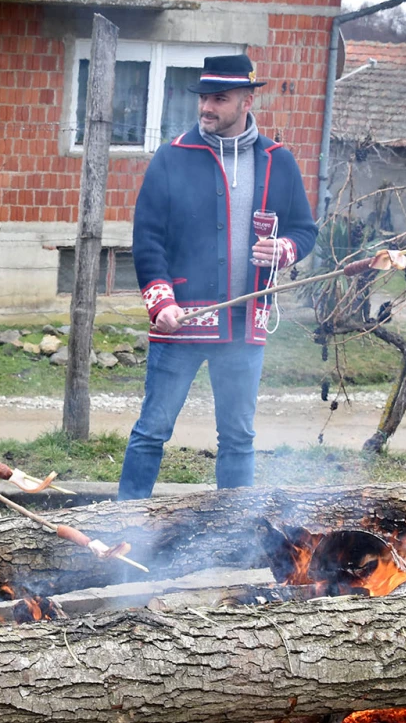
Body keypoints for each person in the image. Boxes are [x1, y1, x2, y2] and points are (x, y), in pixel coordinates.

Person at [118, 54, 317, 498]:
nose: (206, 107)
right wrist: (160, 301)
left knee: (238, 438)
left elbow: (305, 230)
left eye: (219, 99)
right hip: (181, 321)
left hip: (245, 325)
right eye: (203, 97)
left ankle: (234, 534)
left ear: (247, 100)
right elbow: (148, 238)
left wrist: (284, 249)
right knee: (152, 430)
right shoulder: (172, 157)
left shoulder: (277, 161)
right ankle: (124, 524)